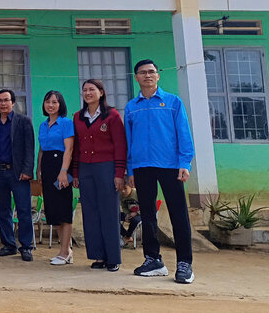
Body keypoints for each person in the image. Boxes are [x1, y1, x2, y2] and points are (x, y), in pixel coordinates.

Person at [125, 59, 195, 284]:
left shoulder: (173, 102)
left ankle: (184, 263)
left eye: (151, 72)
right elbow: (129, 140)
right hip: (142, 167)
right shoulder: (131, 107)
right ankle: (153, 259)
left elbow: (184, 133)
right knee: (147, 214)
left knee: (178, 214)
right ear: (136, 77)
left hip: (170, 166)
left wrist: (185, 162)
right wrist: (130, 169)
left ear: (158, 75)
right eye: (142, 72)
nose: (147, 75)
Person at [71, 79, 127, 271]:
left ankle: (113, 258)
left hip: (106, 168)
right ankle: (98, 256)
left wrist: (119, 173)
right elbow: (76, 147)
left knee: (109, 212)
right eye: (85, 90)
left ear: (101, 92)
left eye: (92, 89)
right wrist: (75, 173)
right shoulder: (78, 117)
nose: (88, 93)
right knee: (90, 213)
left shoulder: (112, 115)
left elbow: (120, 145)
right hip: (85, 169)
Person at [0, 89, 35, 261]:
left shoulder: (23, 121)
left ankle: (26, 247)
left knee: (23, 210)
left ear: (13, 102)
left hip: (18, 173)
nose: (3, 103)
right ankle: (9, 244)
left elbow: (29, 148)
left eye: (6, 100)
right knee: (1, 210)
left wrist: (27, 170)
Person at [36, 90, 75, 266]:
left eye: (54, 102)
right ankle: (66, 250)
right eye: (47, 102)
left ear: (60, 105)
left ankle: (65, 252)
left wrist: (64, 171)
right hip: (47, 167)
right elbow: (41, 149)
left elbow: (69, 149)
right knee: (54, 211)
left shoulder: (66, 123)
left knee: (63, 209)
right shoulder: (43, 125)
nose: (50, 105)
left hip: (61, 166)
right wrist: (38, 169)